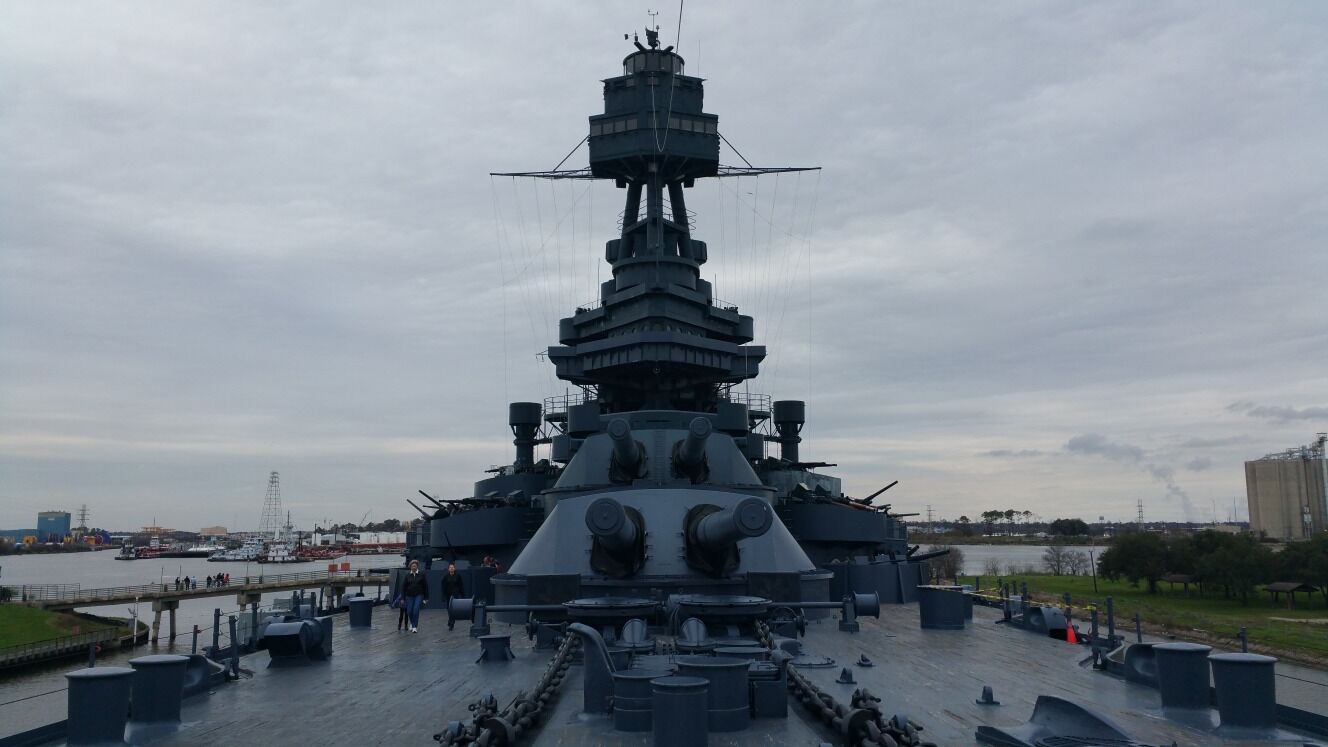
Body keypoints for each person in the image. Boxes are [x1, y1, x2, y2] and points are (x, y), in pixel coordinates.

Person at [401, 560, 429, 633]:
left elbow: (425, 587)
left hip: (418, 595)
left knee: (416, 610)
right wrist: (402, 598)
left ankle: (414, 627)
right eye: (412, 566)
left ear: (417, 566)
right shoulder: (407, 575)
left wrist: (426, 597)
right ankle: (412, 622)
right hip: (409, 596)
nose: (414, 567)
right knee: (409, 611)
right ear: (410, 567)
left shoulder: (421, 574)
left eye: (415, 566)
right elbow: (403, 587)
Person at [441, 563, 465, 631]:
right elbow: (443, 587)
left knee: (453, 609)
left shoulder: (458, 576)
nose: (451, 568)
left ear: (454, 568)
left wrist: (463, 594)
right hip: (448, 595)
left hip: (455, 595)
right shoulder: (445, 577)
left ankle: (451, 623)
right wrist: (443, 596)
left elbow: (461, 586)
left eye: (452, 567)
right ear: (448, 569)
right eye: (450, 567)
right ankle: (450, 620)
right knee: (449, 609)